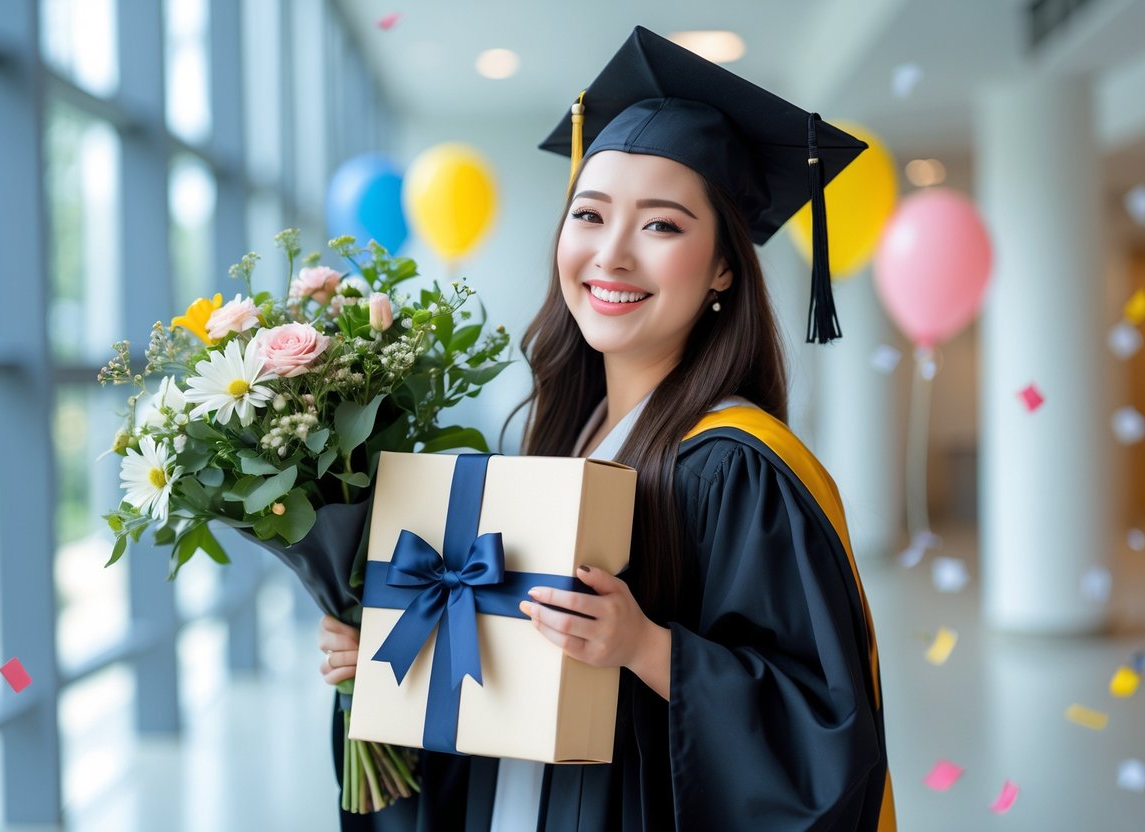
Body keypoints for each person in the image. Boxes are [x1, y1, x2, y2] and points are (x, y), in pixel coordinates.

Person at [319, 25, 895, 832]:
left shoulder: (739, 469)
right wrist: (384, 662)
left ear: (725, 266)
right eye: (589, 214)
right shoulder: (552, 438)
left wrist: (648, 649)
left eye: (661, 226)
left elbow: (824, 739)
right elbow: (492, 694)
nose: (611, 255)